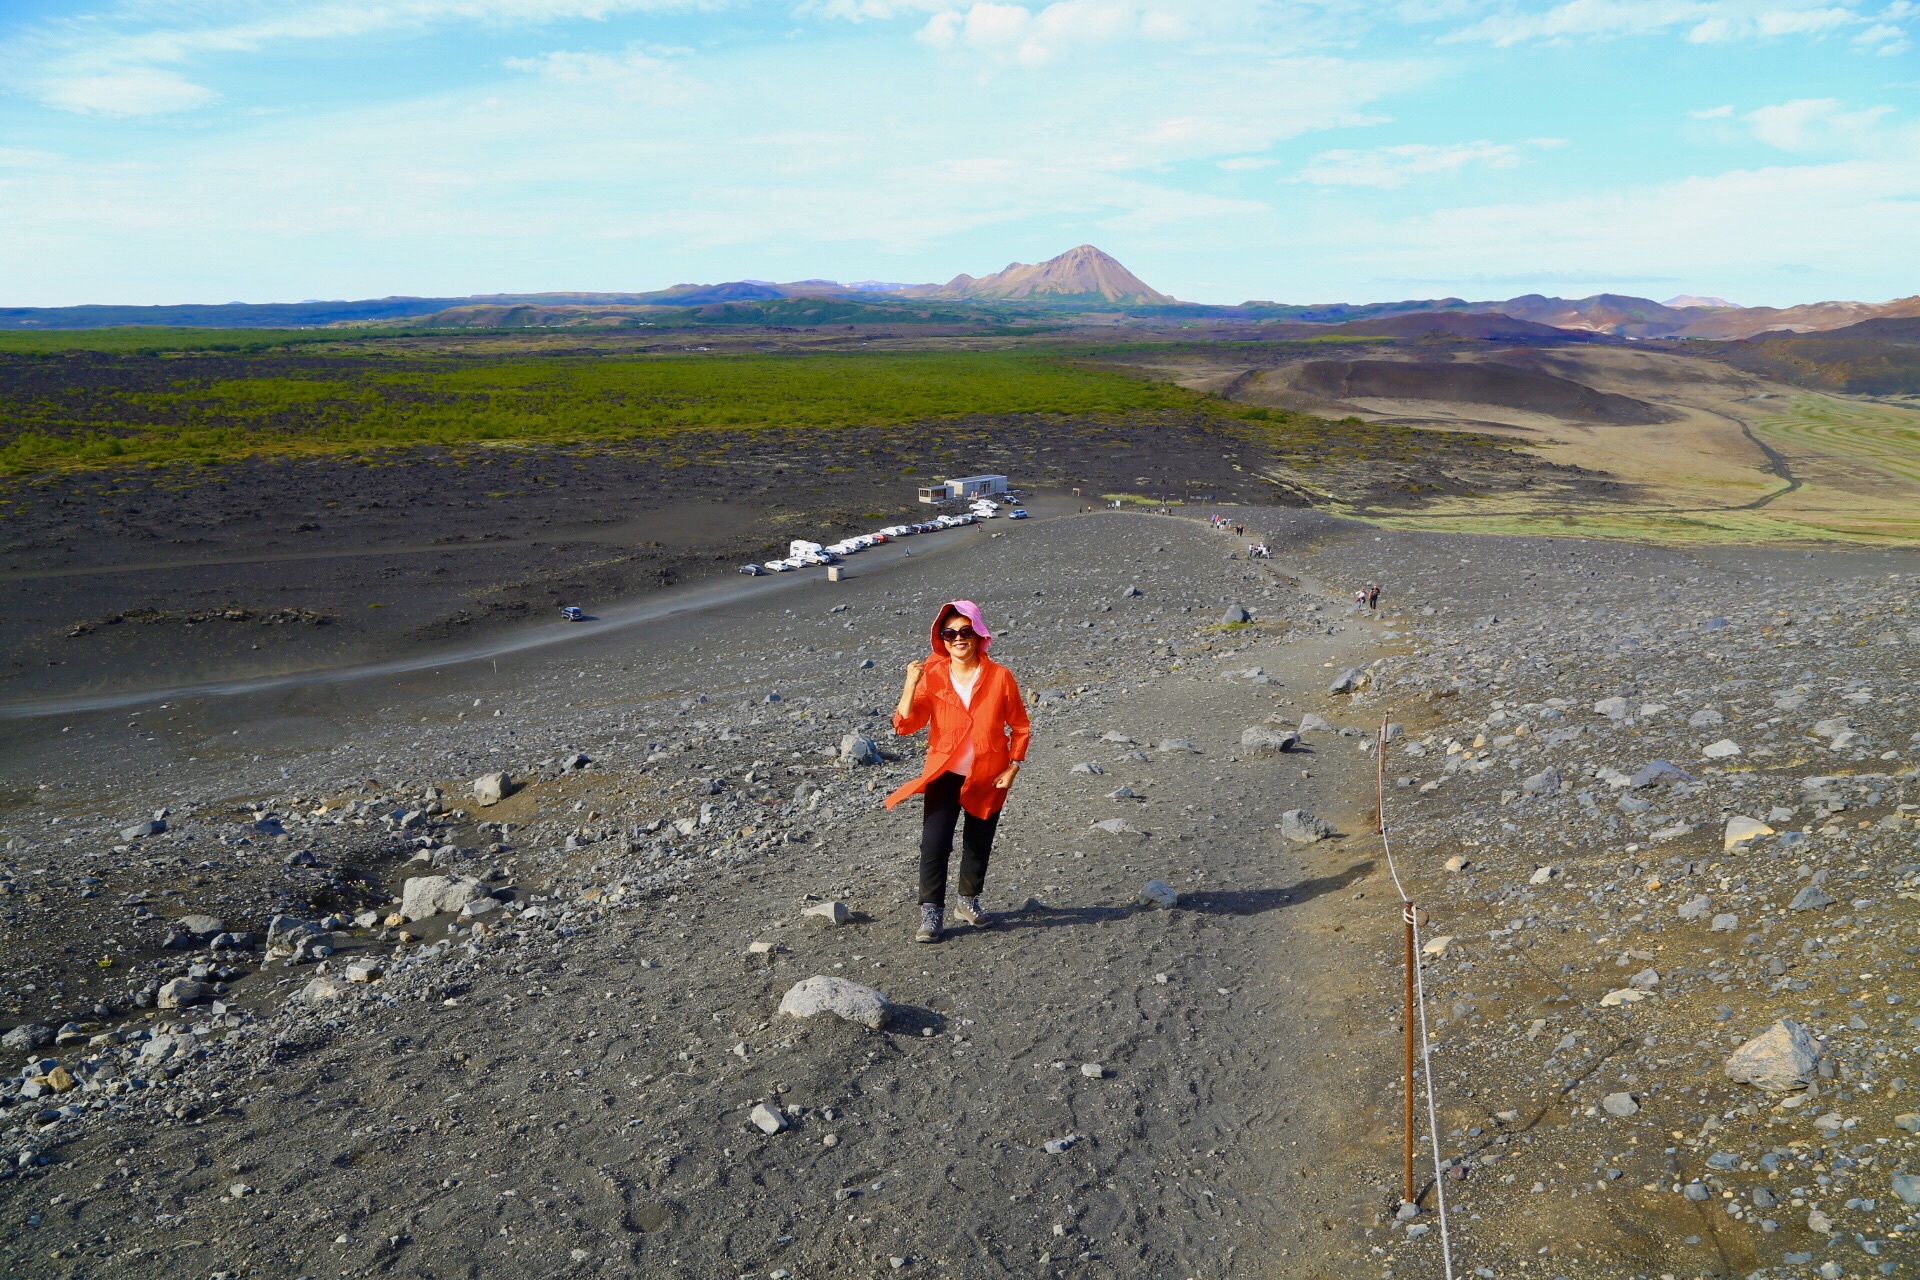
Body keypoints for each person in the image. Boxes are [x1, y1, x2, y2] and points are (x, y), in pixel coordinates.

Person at [886, 601, 1030, 944]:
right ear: (942, 639)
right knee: (934, 843)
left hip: (988, 772)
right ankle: (931, 911)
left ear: (979, 634)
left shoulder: (1000, 676)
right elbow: (905, 725)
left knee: (978, 843)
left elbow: (1020, 726)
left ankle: (967, 902)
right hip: (944, 772)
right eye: (949, 633)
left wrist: (1013, 767)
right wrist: (910, 683)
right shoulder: (932, 676)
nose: (958, 638)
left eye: (965, 631)